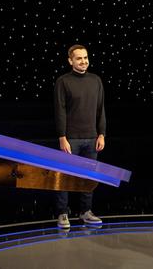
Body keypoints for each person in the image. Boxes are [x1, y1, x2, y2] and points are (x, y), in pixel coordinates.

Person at [54, 44, 106, 229]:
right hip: (71, 139)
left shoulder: (96, 80)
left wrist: (101, 134)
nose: (83, 61)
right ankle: (62, 213)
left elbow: (100, 109)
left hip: (92, 138)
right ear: (70, 61)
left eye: (85, 57)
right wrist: (62, 137)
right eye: (79, 58)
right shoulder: (63, 81)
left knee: (88, 178)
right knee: (66, 177)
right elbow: (60, 111)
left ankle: (85, 211)